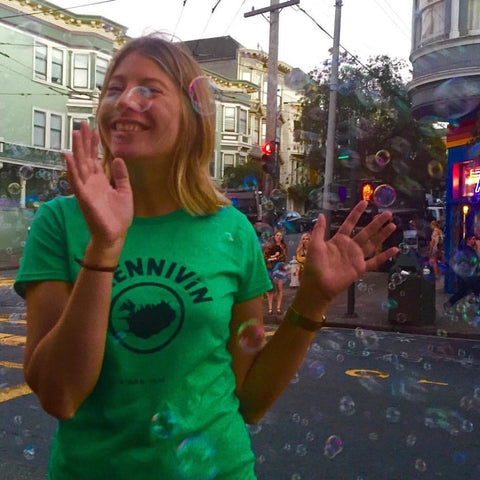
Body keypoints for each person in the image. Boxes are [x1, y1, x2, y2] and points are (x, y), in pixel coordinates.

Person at [13, 33, 398, 480]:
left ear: (192, 116)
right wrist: (104, 247)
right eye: (113, 89)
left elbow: (248, 400)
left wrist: (312, 301)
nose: (123, 101)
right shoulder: (60, 222)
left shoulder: (231, 229)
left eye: (148, 89)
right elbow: (60, 396)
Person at [444, 235, 480, 311]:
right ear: (468, 240)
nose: (474, 241)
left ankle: (450, 303)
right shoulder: (467, 250)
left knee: (469, 291)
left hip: (468, 275)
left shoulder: (468, 250)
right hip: (468, 275)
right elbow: (473, 261)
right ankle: (450, 303)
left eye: (475, 239)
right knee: (464, 291)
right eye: (473, 239)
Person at [263, 230, 288, 314]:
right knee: (270, 289)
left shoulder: (283, 246)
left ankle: (278, 308)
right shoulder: (269, 246)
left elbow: (283, 257)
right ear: (274, 236)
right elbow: (265, 257)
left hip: (279, 267)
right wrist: (271, 258)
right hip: (270, 267)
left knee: (279, 287)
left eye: (280, 235)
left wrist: (275, 258)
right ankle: (270, 308)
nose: (279, 237)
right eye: (277, 235)